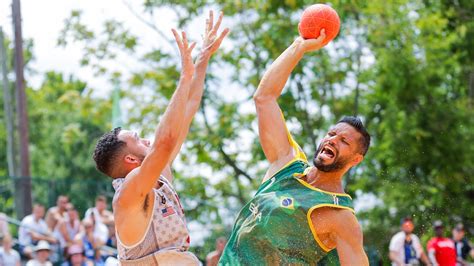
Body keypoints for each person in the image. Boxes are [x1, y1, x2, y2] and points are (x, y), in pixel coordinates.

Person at [219, 29, 370, 265]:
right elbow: (264, 98)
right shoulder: (287, 163)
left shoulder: (340, 216)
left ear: (355, 159)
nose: (332, 140)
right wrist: (299, 46)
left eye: (344, 141)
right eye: (331, 134)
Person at [91, 11, 229, 265]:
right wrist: (184, 77)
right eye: (137, 138)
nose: (145, 139)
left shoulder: (158, 176)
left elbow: (186, 111)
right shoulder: (129, 193)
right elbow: (164, 143)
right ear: (131, 158)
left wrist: (203, 58)